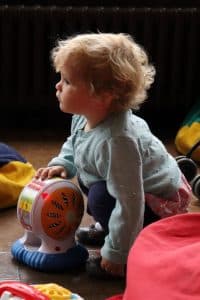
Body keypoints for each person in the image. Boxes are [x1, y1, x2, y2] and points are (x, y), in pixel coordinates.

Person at [35, 32, 192, 279]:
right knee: (93, 184)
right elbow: (76, 143)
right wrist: (63, 163)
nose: (58, 86)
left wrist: (117, 254)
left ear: (102, 96)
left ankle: (127, 250)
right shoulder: (86, 117)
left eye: (67, 81)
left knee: (100, 196)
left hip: (157, 204)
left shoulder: (118, 142)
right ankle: (110, 228)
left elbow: (131, 202)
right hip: (128, 188)